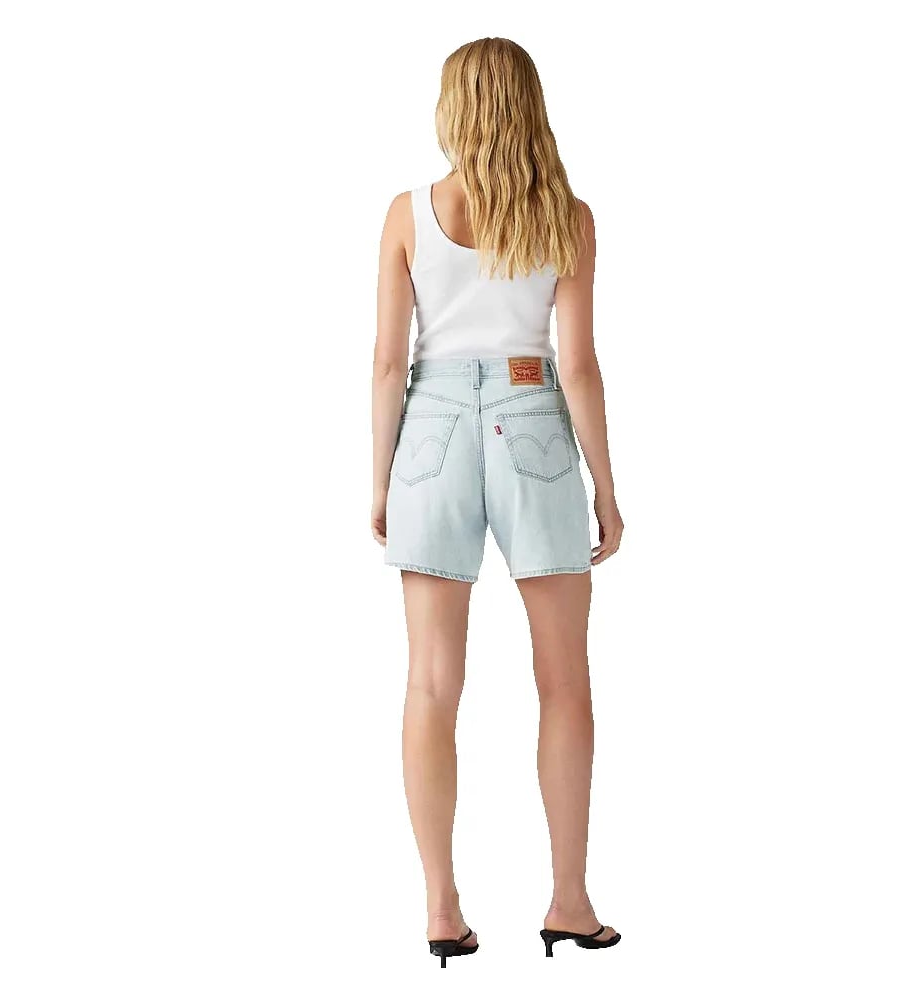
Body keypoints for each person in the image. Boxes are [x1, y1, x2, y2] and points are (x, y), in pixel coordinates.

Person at [370, 37, 623, 967]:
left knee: (431, 682)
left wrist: (381, 479)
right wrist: (606, 487)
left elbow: (387, 363)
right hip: (535, 419)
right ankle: (569, 899)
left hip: (429, 429)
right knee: (563, 679)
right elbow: (580, 365)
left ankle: (442, 909)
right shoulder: (568, 216)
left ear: (454, 106)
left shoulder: (408, 213)